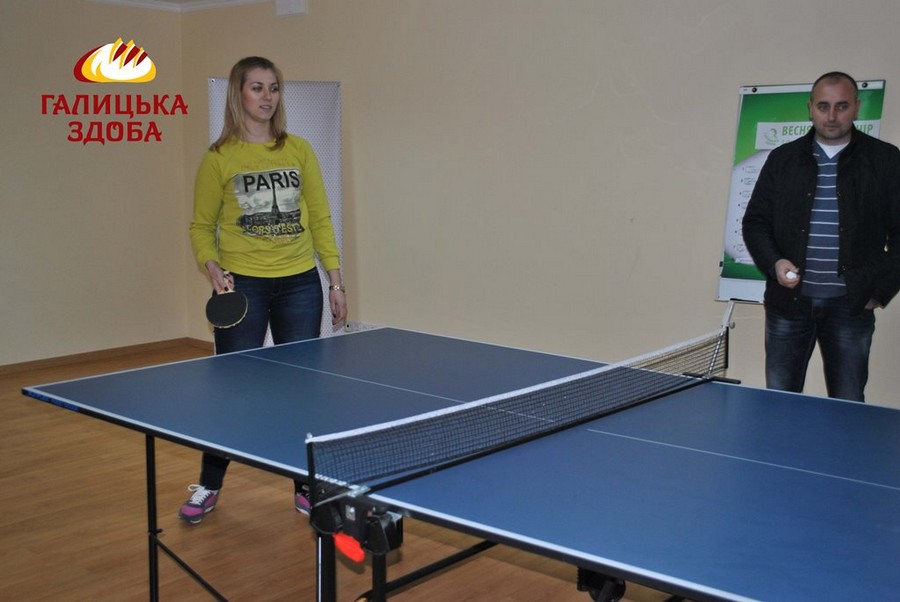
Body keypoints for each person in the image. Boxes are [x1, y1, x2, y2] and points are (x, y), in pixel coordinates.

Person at [183, 56, 347, 524]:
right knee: (232, 390)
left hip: (300, 284)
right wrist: (212, 267)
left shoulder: (299, 149)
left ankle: (304, 485)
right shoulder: (219, 158)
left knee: (300, 392)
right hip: (244, 285)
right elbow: (201, 226)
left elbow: (320, 217)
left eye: (273, 88)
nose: (267, 96)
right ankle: (209, 484)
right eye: (257, 87)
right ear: (238, 93)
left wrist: (335, 281)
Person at [742, 71, 900, 402]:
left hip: (851, 307)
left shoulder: (885, 160)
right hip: (789, 305)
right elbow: (755, 222)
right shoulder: (783, 159)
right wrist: (774, 262)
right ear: (810, 107)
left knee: (848, 403)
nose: (831, 116)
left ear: (857, 107)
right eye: (823, 106)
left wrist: (878, 293)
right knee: (781, 403)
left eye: (841, 106)